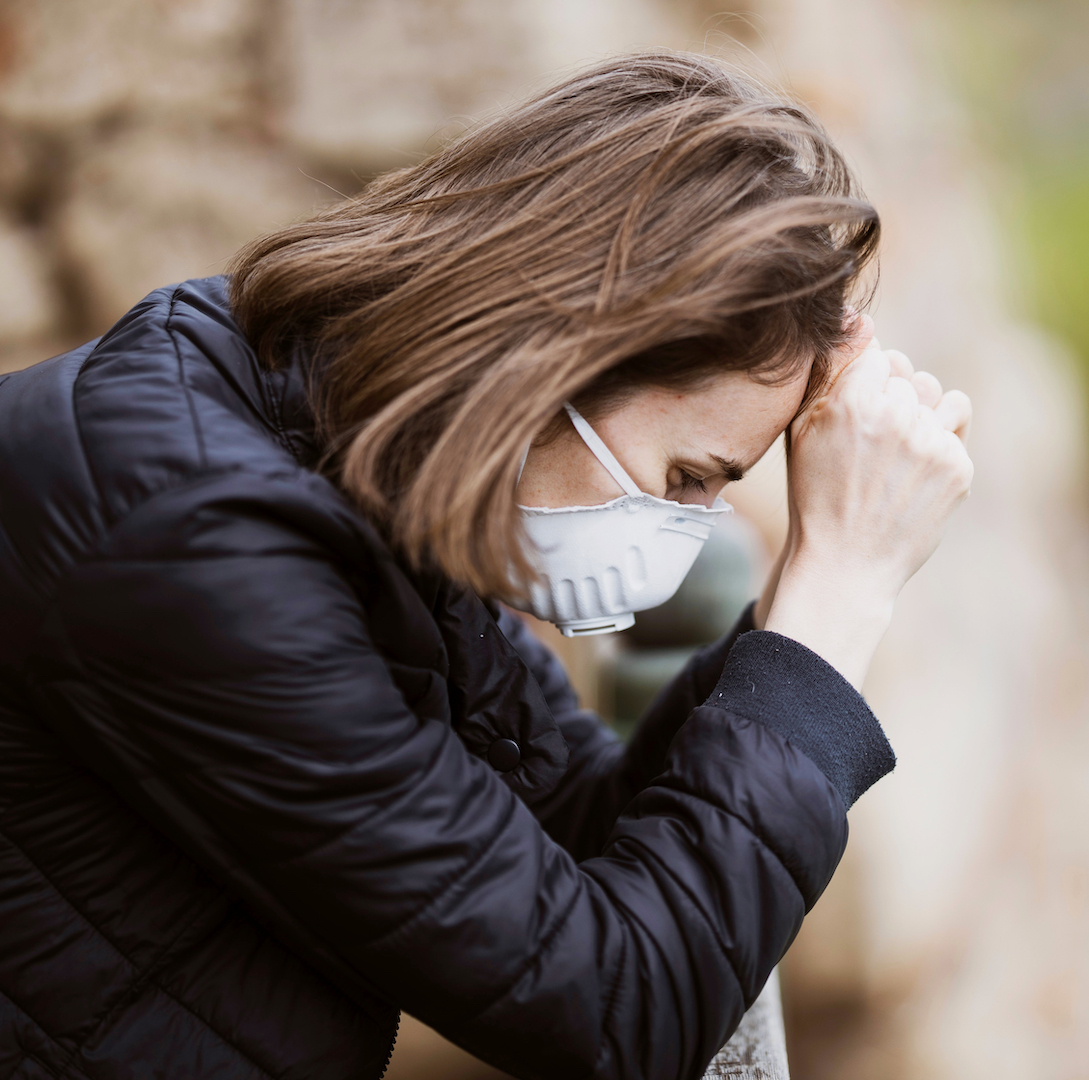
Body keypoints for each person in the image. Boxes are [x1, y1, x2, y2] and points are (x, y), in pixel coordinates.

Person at [0, 52, 971, 1080]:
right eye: (687, 475)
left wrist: (796, 604)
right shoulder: (197, 538)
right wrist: (841, 596)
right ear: (557, 354)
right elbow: (612, 1011)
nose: (691, 527)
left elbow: (586, 848)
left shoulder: (344, 461)